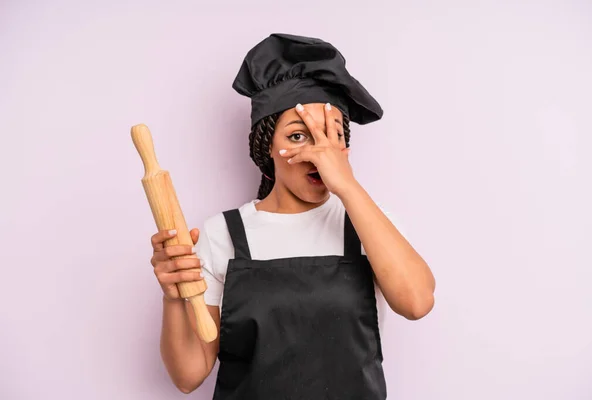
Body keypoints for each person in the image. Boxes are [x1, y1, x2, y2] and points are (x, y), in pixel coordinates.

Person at [149, 33, 436, 398]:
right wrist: (174, 294)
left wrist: (347, 187)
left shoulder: (368, 224)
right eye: (299, 136)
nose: (317, 153)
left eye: (331, 137)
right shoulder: (224, 233)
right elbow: (188, 375)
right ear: (266, 146)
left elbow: (416, 303)